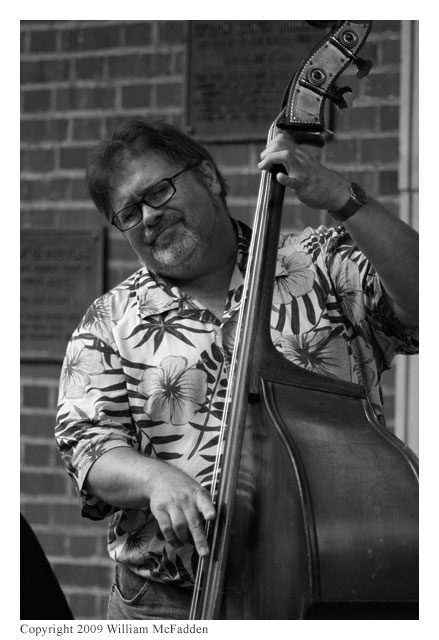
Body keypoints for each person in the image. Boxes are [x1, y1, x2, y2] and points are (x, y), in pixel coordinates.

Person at [54, 119, 418, 620]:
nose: (149, 216)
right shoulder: (109, 320)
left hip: (325, 590)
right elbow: (88, 444)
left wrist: (343, 199)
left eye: (158, 192)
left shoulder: (321, 265)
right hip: (162, 604)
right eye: (129, 213)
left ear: (207, 176)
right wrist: (154, 479)